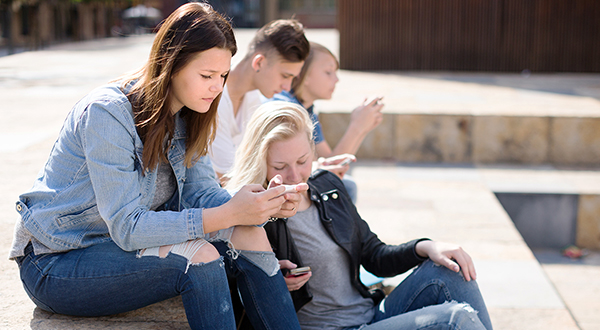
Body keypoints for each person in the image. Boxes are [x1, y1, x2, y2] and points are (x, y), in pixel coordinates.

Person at [8, 4, 304, 330]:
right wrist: (230, 214)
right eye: (206, 76)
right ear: (172, 64)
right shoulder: (107, 114)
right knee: (199, 258)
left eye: (222, 76)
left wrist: (259, 207)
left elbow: (202, 194)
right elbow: (128, 227)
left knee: (250, 236)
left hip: (123, 251)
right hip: (58, 261)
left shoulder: (192, 114)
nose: (217, 87)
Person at [225, 101, 493, 330]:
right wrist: (273, 281)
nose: (295, 176)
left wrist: (427, 246)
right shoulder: (252, 212)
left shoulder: (327, 185)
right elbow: (236, 287)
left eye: (303, 161)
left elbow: (374, 255)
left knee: (450, 268)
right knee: (455, 319)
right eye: (280, 166)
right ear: (259, 162)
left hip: (372, 315)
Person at [271, 42, 385, 202]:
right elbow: (330, 173)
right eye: (328, 72)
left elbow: (331, 161)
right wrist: (357, 127)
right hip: (280, 190)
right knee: (347, 186)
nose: (337, 79)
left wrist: (363, 127)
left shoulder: (307, 108)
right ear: (303, 74)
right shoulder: (287, 110)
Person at [209, 18, 310, 181]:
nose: (287, 87)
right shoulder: (213, 98)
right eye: (285, 76)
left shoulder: (253, 97)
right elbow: (228, 177)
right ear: (260, 62)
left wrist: (320, 167)